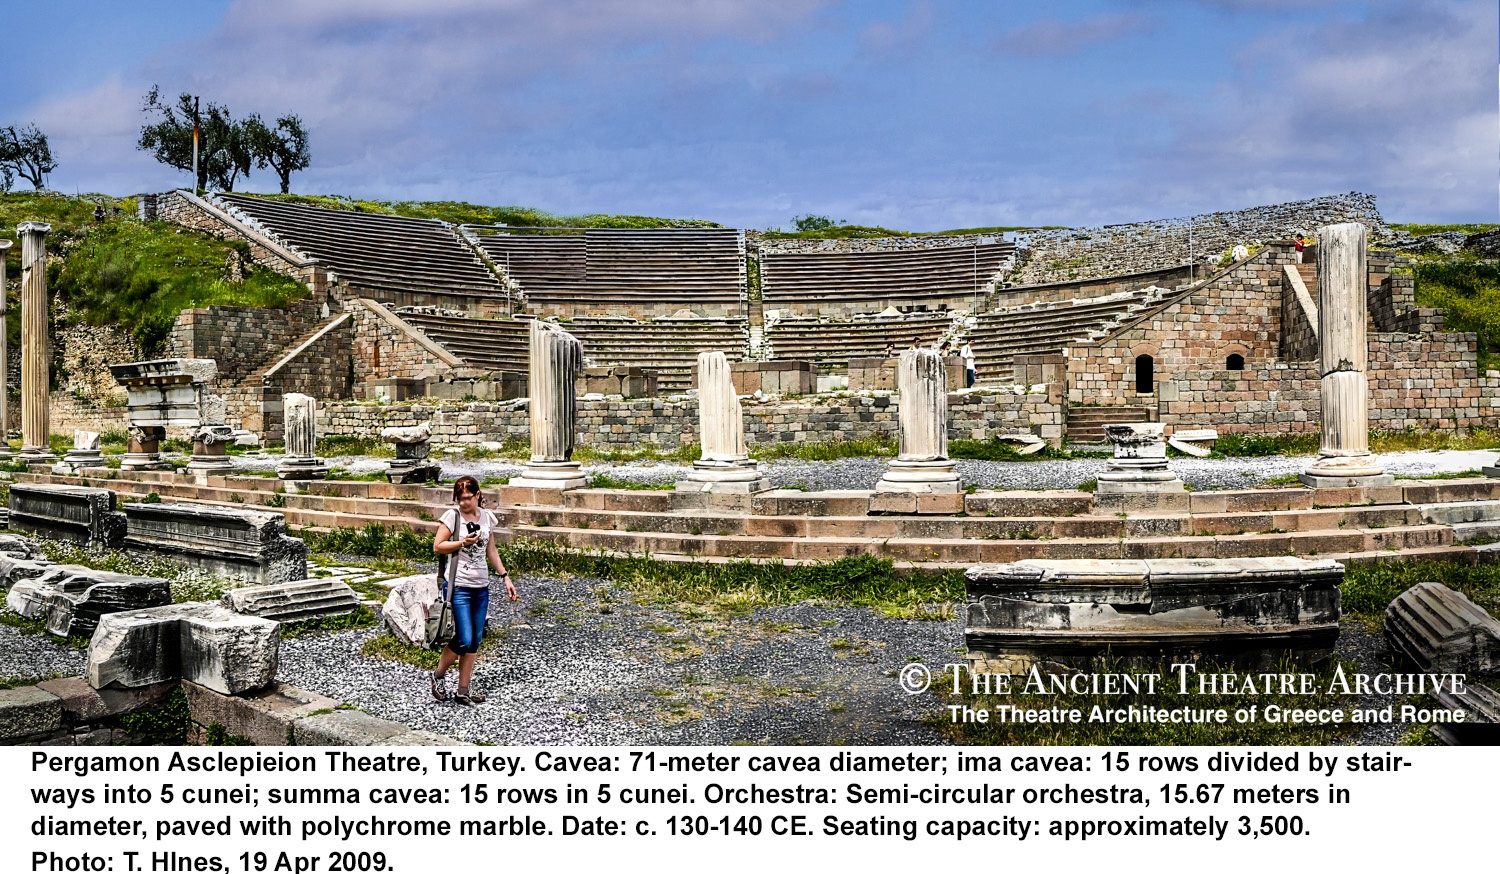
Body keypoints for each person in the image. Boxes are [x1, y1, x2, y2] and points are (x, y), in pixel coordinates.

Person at [430, 475, 516, 705]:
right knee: (464, 639)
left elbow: (491, 551)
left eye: (467, 498)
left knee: (475, 641)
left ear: (478, 495)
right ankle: (438, 675)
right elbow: (438, 546)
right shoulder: (453, 516)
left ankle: (463, 691)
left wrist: (505, 577)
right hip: (458, 586)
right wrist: (461, 543)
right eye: (459, 499)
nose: (463, 503)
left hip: (481, 587)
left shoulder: (487, 517)